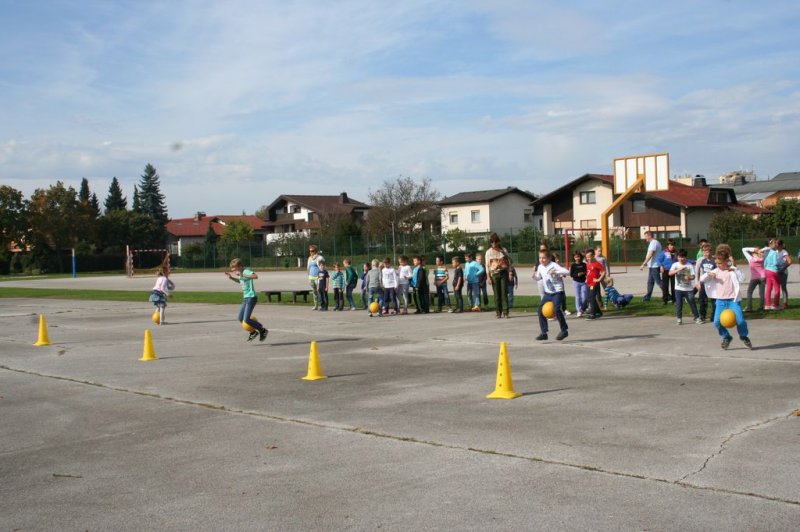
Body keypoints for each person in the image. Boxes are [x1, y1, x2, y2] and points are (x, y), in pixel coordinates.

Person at [700, 248, 751, 349]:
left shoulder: (731, 271)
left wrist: (735, 268)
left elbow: (743, 278)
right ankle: (726, 337)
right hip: (720, 301)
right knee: (716, 322)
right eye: (717, 263)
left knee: (740, 321)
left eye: (720, 263)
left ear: (726, 261)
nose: (718, 265)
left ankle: (744, 336)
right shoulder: (715, 271)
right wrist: (708, 274)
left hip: (733, 301)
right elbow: (702, 279)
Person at [225, 258, 267, 342]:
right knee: (240, 318)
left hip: (251, 298)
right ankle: (253, 332)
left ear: (240, 266)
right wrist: (231, 278)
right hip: (246, 298)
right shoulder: (241, 274)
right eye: (232, 269)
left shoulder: (245, 271)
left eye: (235, 268)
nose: (233, 270)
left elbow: (255, 276)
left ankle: (262, 330)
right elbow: (241, 281)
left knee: (247, 319)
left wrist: (243, 274)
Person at [533, 248, 570, 341]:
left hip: (558, 292)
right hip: (548, 293)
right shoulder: (540, 267)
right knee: (540, 311)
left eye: (544, 258)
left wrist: (556, 272)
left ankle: (564, 330)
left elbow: (567, 272)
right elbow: (539, 278)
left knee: (557, 309)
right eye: (540, 258)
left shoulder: (554, 265)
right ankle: (544, 333)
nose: (541, 260)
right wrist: (534, 277)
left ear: (549, 258)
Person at [669, 249, 702, 325]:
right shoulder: (675, 265)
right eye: (680, 257)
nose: (681, 259)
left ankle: (697, 318)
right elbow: (670, 273)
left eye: (683, 257)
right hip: (678, 289)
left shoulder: (689, 265)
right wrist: (678, 270)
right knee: (679, 304)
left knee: (692, 303)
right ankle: (679, 318)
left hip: (688, 289)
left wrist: (689, 278)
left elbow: (693, 276)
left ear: (685, 257)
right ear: (677, 257)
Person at [485, 233, 512, 318]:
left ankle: (506, 311)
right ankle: (498, 312)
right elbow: (487, 265)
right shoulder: (488, 252)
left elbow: (510, 262)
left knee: (504, 293)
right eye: (492, 242)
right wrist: (488, 277)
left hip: (503, 273)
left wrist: (510, 273)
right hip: (494, 274)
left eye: (495, 242)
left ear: (498, 242)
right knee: (497, 294)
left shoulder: (503, 250)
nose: (494, 244)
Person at [695, 243, 716, 322]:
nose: (706, 253)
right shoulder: (702, 261)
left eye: (707, 252)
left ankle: (714, 315)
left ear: (711, 252)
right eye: (704, 252)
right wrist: (698, 283)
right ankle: (702, 315)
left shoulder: (714, 261)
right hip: (704, 283)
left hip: (712, 284)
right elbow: (700, 272)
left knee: (714, 300)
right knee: (702, 300)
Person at [640, 231, 663, 302]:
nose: (645, 238)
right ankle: (647, 298)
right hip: (652, 266)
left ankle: (667, 296)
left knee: (658, 281)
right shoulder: (654, 242)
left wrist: (643, 263)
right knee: (650, 282)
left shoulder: (653, 243)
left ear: (649, 236)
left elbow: (651, 254)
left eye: (646, 236)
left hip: (654, 266)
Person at [742, 246, 766, 312]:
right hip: (763, 277)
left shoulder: (750, 258)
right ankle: (762, 308)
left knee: (749, 292)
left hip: (754, 278)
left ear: (752, 252)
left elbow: (743, 249)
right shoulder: (762, 257)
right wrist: (760, 250)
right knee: (762, 293)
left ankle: (749, 307)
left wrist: (753, 249)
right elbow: (768, 248)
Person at [584, 248, 606, 320]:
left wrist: (599, 279)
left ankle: (593, 314)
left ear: (593, 256)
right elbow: (588, 272)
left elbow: (603, 272)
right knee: (590, 298)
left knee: (591, 298)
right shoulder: (587, 264)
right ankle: (599, 312)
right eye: (587, 257)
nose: (588, 258)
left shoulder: (596, 264)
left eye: (589, 257)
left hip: (594, 284)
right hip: (588, 283)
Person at [657, 239, 678, 305]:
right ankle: (664, 300)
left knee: (674, 286)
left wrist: (694, 261)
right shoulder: (664, 252)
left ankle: (674, 300)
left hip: (673, 271)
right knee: (665, 286)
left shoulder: (676, 253)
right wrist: (661, 266)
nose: (672, 246)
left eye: (673, 245)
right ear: (668, 245)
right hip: (665, 270)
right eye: (670, 245)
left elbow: (683, 259)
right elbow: (658, 260)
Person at [763, 239, 782, 310]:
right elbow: (775, 263)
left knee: (768, 288)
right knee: (777, 288)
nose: (776, 244)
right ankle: (776, 305)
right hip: (773, 271)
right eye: (775, 243)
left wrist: (766, 268)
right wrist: (779, 265)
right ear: (772, 245)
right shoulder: (774, 253)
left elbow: (765, 263)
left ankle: (767, 305)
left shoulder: (767, 252)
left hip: (767, 271)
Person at [569, 251, 588, 317]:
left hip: (583, 282)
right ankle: (579, 310)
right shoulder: (573, 265)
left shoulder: (584, 264)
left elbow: (587, 272)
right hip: (576, 282)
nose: (577, 258)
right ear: (574, 258)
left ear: (581, 257)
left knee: (584, 296)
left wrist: (583, 273)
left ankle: (582, 308)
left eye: (578, 257)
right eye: (576, 257)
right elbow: (571, 274)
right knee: (577, 297)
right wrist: (577, 274)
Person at [307, 245, 325, 310]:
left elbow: (322, 267)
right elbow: (308, 268)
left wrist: (321, 276)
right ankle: (316, 305)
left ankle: (322, 305)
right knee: (314, 292)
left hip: (318, 277)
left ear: (315, 251)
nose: (311, 252)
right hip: (311, 277)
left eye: (312, 251)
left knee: (319, 291)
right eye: (310, 251)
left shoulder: (320, 258)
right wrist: (308, 275)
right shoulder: (309, 258)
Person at [776, 240, 792, 309]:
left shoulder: (784, 252)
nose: (775, 245)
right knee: (777, 288)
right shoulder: (775, 252)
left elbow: (789, 261)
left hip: (783, 273)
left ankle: (785, 303)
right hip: (776, 272)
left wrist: (782, 269)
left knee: (783, 288)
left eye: (777, 244)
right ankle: (777, 303)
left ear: (780, 245)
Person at [594, 245, 610, 310]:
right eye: (598, 251)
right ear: (595, 251)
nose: (600, 252)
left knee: (607, 289)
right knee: (597, 291)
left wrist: (608, 274)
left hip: (603, 275)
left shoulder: (603, 258)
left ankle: (611, 301)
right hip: (596, 276)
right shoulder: (594, 258)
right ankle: (600, 304)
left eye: (601, 251)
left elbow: (606, 266)